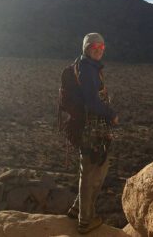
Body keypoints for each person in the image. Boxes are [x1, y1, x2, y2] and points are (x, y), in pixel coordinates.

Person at [66, 32, 118, 234]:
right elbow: (92, 101)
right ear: (86, 48)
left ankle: (78, 209)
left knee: (90, 170)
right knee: (94, 173)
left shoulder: (86, 66)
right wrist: (111, 113)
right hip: (92, 130)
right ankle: (85, 221)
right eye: (94, 47)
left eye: (101, 47)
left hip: (89, 128)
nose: (98, 50)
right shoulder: (87, 69)